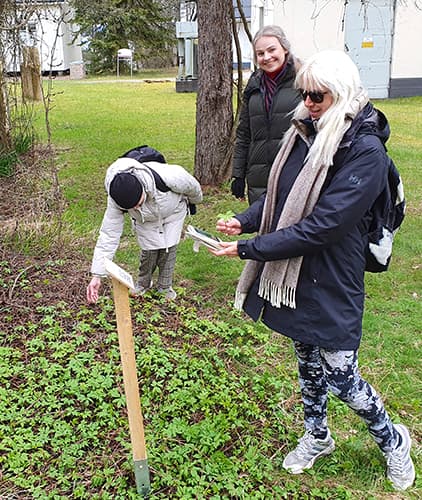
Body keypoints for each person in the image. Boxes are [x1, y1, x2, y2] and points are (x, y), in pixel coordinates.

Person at [210, 50, 415, 491]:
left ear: (340, 93)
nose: (307, 101)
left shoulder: (365, 151)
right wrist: (245, 220)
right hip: (298, 271)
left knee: (341, 375)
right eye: (303, 93)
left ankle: (392, 438)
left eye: (317, 94)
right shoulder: (307, 130)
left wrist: (250, 248)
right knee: (306, 360)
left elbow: (325, 224)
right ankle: (318, 436)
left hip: (333, 273)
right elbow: (285, 192)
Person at [86, 151, 203, 303]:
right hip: (145, 220)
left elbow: (192, 187)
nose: (136, 206)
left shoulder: (169, 176)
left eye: (138, 202)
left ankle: (165, 287)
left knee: (169, 249)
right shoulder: (116, 198)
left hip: (172, 212)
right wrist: (97, 275)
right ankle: (143, 284)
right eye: (131, 207)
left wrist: (194, 202)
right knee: (149, 251)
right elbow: (109, 235)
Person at [231, 25, 302, 205]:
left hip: (294, 173)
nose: (267, 57)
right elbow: (244, 133)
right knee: (262, 229)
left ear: (285, 48)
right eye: (260, 53)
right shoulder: (254, 85)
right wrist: (238, 175)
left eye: (272, 50)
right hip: (259, 178)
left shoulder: (304, 80)